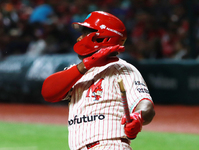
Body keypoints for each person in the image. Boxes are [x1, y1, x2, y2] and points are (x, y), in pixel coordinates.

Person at [41, 11, 155, 150]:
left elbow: (145, 104)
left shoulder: (123, 69)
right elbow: (48, 92)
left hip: (109, 146)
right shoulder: (78, 70)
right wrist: (88, 64)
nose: (79, 39)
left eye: (84, 34)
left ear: (100, 38)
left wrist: (138, 116)